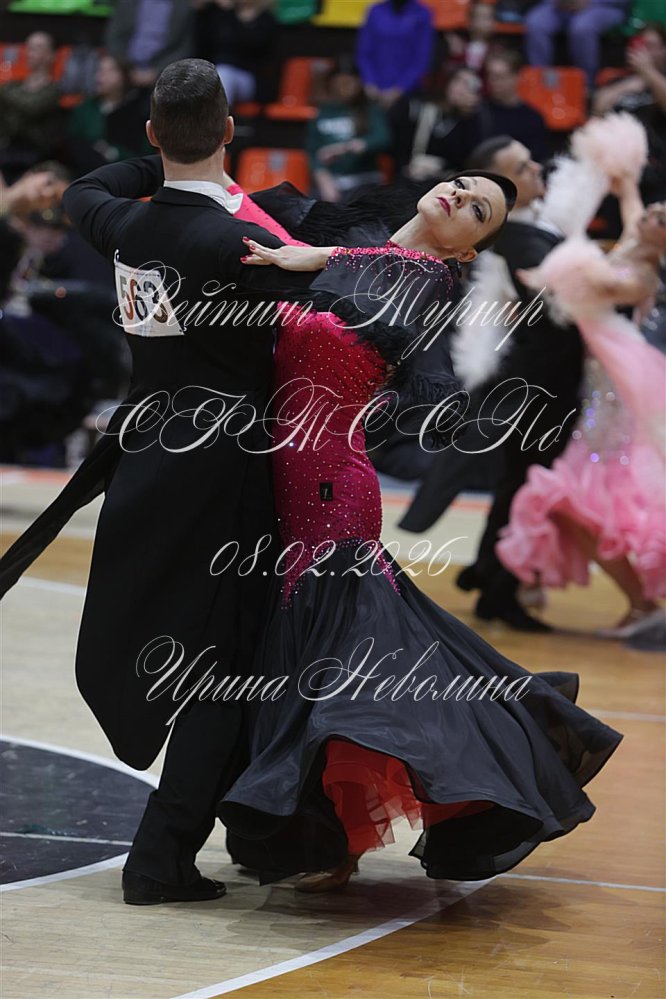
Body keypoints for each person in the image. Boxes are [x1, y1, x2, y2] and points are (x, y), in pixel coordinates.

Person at [209, 170, 622, 891]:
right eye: (460, 185)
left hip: (331, 488)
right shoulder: (365, 251)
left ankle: (333, 838)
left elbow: (371, 274)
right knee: (309, 655)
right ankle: (308, 829)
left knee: (336, 663)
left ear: (467, 250)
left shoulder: (427, 280)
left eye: (477, 209)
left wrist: (313, 257)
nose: (459, 196)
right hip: (281, 483)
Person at [0, 58, 319, 907]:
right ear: (230, 132)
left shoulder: (123, 224)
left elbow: (84, 189)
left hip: (148, 457)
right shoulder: (233, 242)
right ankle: (162, 855)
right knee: (229, 665)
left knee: (200, 652)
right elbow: (343, 283)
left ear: (149, 134)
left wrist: (169, 162)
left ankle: (228, 831)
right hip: (225, 469)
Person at [401, 135, 583, 631]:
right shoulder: (517, 236)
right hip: (536, 384)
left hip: (542, 379)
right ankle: (497, 589)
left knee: (519, 484)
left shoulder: (537, 224)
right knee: (522, 488)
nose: (536, 169)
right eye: (521, 168)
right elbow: (562, 298)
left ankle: (488, 574)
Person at [498, 184, 666, 639]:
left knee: (577, 498)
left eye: (661, 220)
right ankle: (544, 583)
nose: (650, 216)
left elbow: (606, 286)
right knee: (568, 498)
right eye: (654, 209)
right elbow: (632, 202)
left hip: (616, 391)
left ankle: (640, 604)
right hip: (596, 383)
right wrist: (624, 182)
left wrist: (555, 269)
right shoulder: (632, 240)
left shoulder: (643, 274)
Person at [306, 59, 392, 202]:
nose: (345, 88)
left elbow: (383, 138)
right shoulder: (323, 111)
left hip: (364, 181)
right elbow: (313, 150)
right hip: (332, 182)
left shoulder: (369, 109)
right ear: (332, 84)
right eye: (340, 83)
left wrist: (346, 147)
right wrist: (322, 178)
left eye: (349, 83)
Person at [391, 66, 484, 180]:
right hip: (411, 175)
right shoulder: (420, 105)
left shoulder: (470, 120)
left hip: (447, 179)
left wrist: (470, 116)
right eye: (458, 81)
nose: (461, 89)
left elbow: (469, 157)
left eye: (468, 85)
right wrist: (405, 166)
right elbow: (397, 139)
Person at [67, 54, 152, 173]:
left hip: (127, 172)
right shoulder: (85, 108)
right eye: (99, 70)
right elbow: (73, 143)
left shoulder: (139, 109)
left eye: (110, 70)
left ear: (125, 75)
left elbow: (145, 153)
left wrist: (115, 153)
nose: (101, 76)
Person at [525, 0, 630, 90]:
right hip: (558, 5)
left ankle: (587, 86)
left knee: (582, 28)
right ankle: (540, 83)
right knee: (535, 23)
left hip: (603, 6)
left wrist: (590, 1)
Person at [0, 32, 63, 180]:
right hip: (6, 150)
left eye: (37, 48)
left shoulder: (53, 90)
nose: (30, 53)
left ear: (51, 55)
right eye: (29, 48)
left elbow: (31, 106)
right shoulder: (13, 87)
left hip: (35, 157)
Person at [193, 0, 276, 107]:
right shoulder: (221, 16)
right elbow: (205, 44)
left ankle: (215, 116)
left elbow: (251, 47)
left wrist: (228, 12)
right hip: (218, 73)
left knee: (224, 74)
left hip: (250, 78)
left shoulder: (266, 20)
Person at [356, 0, 436, 109]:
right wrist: (370, 82)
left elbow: (422, 59)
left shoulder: (422, 13)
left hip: (408, 93)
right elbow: (364, 53)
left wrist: (399, 89)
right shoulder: (375, 11)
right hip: (373, 92)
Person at [476, 50, 550, 162]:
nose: (492, 82)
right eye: (490, 76)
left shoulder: (533, 118)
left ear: (517, 76)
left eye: (500, 77)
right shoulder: (477, 110)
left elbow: (538, 159)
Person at [105, 0, 195, 89]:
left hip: (164, 70)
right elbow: (115, 39)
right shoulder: (127, 3)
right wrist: (129, 68)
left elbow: (183, 48)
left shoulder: (184, 7)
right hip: (125, 67)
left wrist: (158, 71)